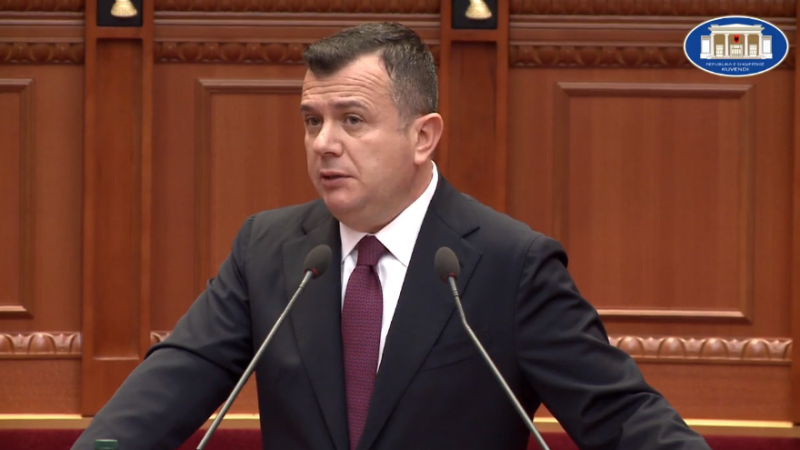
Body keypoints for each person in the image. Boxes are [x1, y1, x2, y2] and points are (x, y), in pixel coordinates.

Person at [72, 21, 712, 450]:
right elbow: (172, 385)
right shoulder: (269, 250)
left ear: (422, 136)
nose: (324, 144)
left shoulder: (509, 264)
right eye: (312, 120)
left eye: (352, 120)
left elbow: (623, 419)